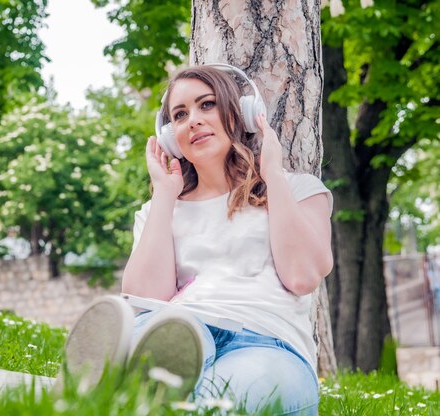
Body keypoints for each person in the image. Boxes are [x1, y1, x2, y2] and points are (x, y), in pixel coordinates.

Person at [58, 64, 333, 415]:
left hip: (267, 343)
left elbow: (302, 276)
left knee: (214, 402)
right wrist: (164, 194)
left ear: (242, 113)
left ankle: (121, 391)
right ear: (171, 136)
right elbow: (144, 296)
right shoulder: (161, 208)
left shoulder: (298, 190)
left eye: (207, 105)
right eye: (180, 114)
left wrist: (273, 174)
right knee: (161, 332)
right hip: (183, 330)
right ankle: (123, 375)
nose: (193, 120)